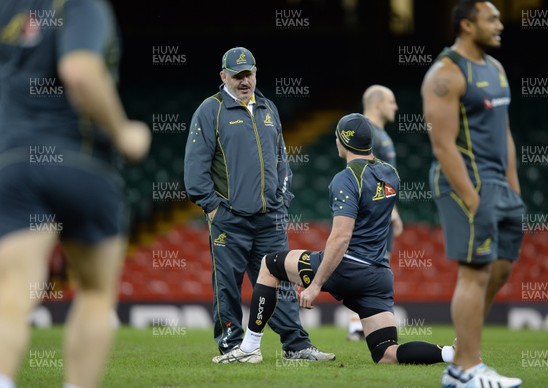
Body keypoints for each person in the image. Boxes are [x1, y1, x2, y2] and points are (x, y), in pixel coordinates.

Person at [212, 113, 455, 366]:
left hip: (346, 267)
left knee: (270, 264)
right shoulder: (391, 173)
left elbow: (341, 237)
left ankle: (249, 347)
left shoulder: (345, 179)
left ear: (343, 141)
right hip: (377, 276)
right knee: (386, 354)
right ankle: (450, 353)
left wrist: (316, 285)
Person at [0, 1, 151, 387]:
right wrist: (123, 134)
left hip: (15, 163)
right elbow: (80, 70)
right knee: (96, 292)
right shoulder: (82, 4)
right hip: (84, 163)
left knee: (12, 290)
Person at [184, 47, 334, 361]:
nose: (244, 81)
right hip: (230, 220)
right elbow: (194, 173)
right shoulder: (209, 111)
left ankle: (296, 345)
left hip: (270, 220)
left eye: (248, 73)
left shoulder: (268, 108)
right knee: (227, 287)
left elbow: (281, 159)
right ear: (223, 76)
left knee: (280, 286)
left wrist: (281, 201)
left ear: (256, 73)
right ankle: (232, 347)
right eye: (237, 75)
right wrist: (215, 209)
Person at [421, 1, 524, 386]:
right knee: (475, 271)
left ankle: (462, 362)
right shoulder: (445, 74)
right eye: (491, 18)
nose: (500, 24)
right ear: (467, 24)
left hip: (501, 186)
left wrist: (513, 189)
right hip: (464, 183)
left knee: (501, 267)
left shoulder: (496, 69)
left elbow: (506, 133)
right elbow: (443, 146)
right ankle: (466, 368)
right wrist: (474, 198)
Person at [347, 85, 403, 341]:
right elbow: (361, 171)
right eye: (392, 102)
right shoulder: (366, 132)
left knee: (376, 263)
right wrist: (389, 211)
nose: (396, 107)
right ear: (378, 103)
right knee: (373, 264)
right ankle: (360, 324)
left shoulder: (376, 133)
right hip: (375, 213)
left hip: (381, 209)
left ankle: (359, 324)